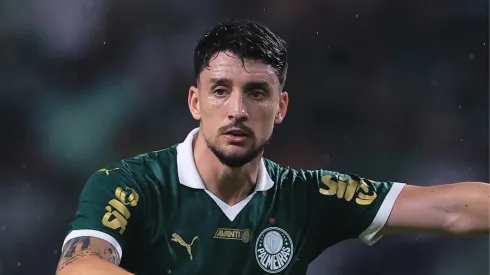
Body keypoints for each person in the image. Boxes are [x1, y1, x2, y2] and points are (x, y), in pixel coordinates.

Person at [56, 20, 489, 275]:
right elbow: (78, 267)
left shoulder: (310, 197)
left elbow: (447, 208)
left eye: (257, 93)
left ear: (280, 107)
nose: (238, 110)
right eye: (220, 91)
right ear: (195, 102)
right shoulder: (128, 184)